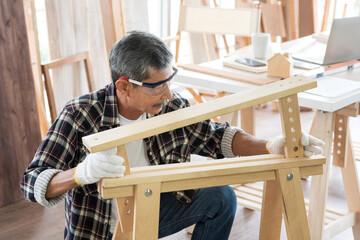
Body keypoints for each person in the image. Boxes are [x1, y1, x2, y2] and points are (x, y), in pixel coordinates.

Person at [21, 31, 324, 240]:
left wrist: (272, 146)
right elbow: (31, 181)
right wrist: (81, 173)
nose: (168, 93)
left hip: (151, 210)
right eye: (157, 85)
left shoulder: (170, 106)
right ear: (124, 86)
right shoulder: (80, 114)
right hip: (101, 227)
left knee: (221, 197)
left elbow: (217, 137)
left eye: (170, 80)